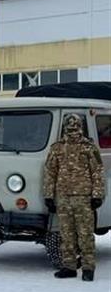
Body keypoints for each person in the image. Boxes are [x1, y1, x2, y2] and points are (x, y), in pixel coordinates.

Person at [42, 114, 105, 281]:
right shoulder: (57, 148)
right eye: (69, 126)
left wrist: (97, 195)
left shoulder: (89, 147)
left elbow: (97, 172)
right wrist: (48, 195)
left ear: (80, 126)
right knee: (66, 234)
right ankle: (69, 266)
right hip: (63, 197)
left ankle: (88, 268)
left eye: (74, 126)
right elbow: (50, 172)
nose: (72, 129)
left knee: (85, 234)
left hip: (83, 197)